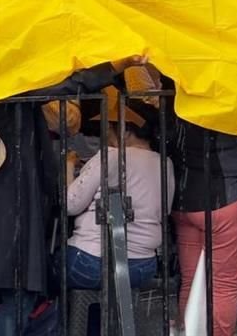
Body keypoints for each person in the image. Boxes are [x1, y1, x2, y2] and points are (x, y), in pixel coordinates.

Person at [0, 58, 145, 336]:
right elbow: (68, 84)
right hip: (11, 214)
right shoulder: (10, 74)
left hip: (13, 214)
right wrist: (115, 65)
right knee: (14, 299)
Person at [170, 93, 237, 336]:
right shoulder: (234, 88)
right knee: (224, 287)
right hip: (227, 196)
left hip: (186, 195)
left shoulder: (181, 86)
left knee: (189, 282)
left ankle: (188, 332)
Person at [66, 119, 174, 291]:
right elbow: (164, 211)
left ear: (126, 132)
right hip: (142, 267)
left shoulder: (110, 156)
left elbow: (70, 204)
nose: (107, 136)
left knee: (48, 267)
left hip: (89, 262)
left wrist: (69, 164)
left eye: (110, 130)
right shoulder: (164, 163)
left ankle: (70, 317)